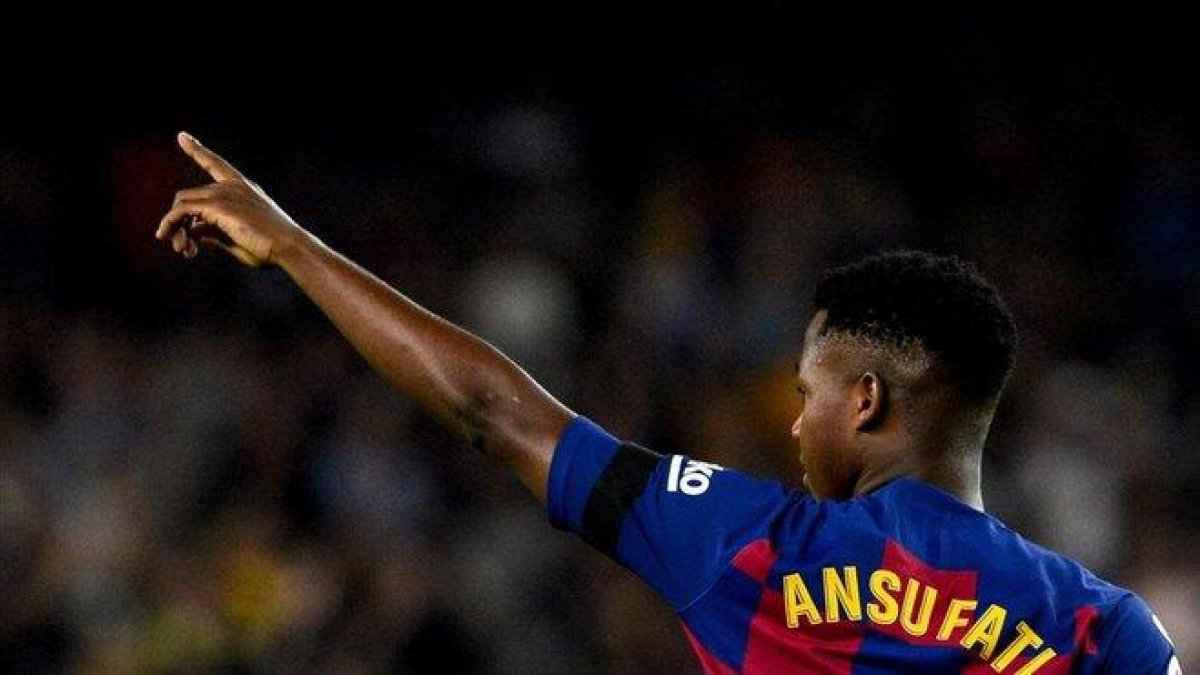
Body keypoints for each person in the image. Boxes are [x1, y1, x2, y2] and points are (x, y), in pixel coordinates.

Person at [156, 132, 1179, 674]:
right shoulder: (1107, 628)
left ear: (866, 402)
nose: (793, 423)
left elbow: (488, 410)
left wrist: (293, 246)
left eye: (807, 394)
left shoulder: (753, 546)